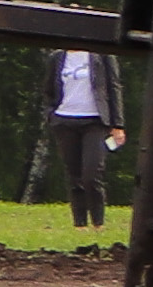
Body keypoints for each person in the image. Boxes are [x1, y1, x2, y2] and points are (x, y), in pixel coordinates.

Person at [45, 43, 118, 230]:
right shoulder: (57, 57)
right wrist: (51, 115)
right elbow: (49, 90)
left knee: (92, 175)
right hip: (64, 121)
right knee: (74, 175)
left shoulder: (102, 55)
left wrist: (118, 124)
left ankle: (98, 223)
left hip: (95, 121)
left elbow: (114, 87)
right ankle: (79, 224)